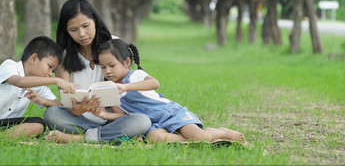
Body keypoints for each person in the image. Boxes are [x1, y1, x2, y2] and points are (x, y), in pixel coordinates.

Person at [93, 38, 247, 144]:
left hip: (169, 113)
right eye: (103, 67)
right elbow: (120, 114)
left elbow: (154, 83)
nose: (107, 71)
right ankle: (186, 141)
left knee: (202, 137)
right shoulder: (110, 89)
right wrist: (104, 115)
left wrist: (125, 87)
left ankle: (222, 133)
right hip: (153, 124)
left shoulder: (135, 76)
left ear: (126, 62)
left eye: (111, 66)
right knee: (154, 138)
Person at [43, 0, 151, 143]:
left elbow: (127, 85)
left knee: (142, 121)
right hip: (81, 119)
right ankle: (109, 136)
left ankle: (81, 138)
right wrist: (80, 109)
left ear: (95, 21)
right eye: (74, 30)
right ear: (66, 31)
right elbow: (69, 105)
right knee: (52, 114)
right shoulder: (63, 56)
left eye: (86, 26)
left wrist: (106, 109)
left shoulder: (112, 45)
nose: (82, 34)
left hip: (113, 118)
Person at [0, 36, 78, 139]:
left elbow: (59, 106)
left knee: (39, 124)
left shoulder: (39, 85)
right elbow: (20, 82)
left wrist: (42, 101)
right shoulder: (9, 66)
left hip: (7, 126)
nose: (50, 73)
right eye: (50, 67)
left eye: (54, 71)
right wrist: (56, 80)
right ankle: (1, 137)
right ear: (33, 58)